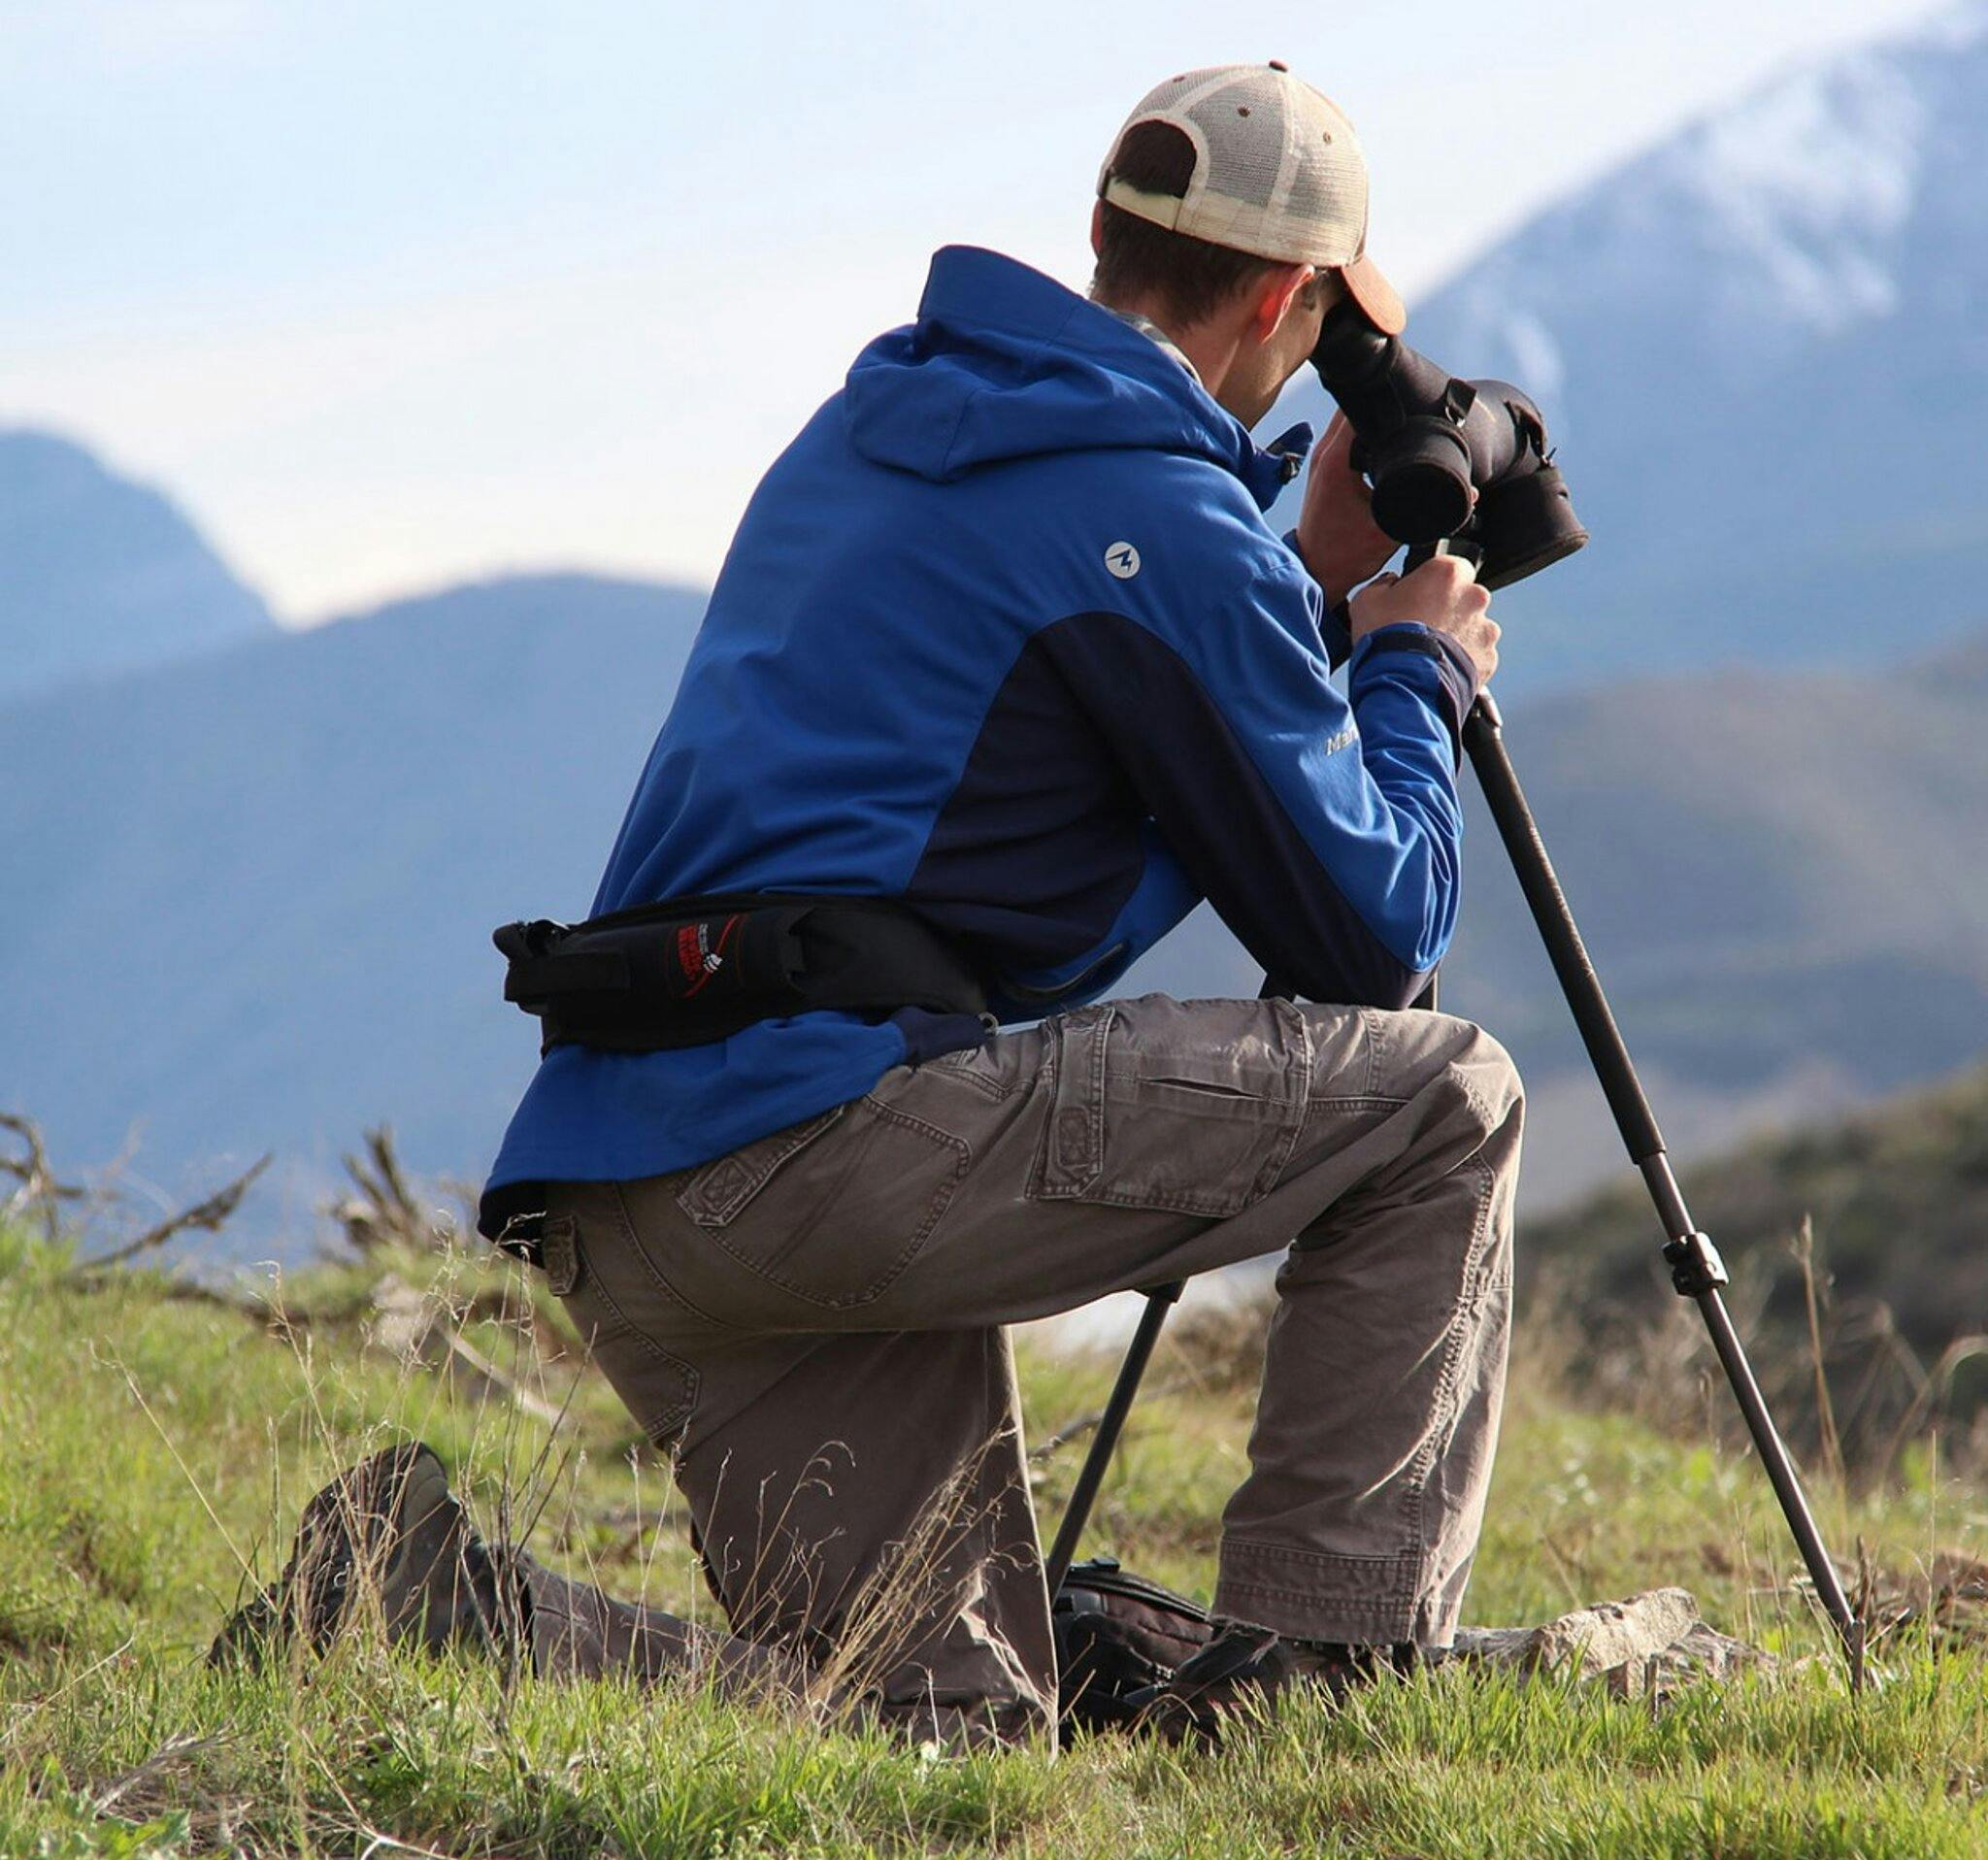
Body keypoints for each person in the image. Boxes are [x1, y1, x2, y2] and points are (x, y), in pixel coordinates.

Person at [235, 62, 1522, 1749]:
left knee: (940, 1722)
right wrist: (1405, 657)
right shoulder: (1161, 517)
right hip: (834, 1142)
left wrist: (1297, 576)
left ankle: (423, 1600)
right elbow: (1372, 936)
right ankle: (1323, 1694)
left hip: (634, 1176)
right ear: (1292, 299)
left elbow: (1068, 648)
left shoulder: (872, 429)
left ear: (1097, 237)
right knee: (1448, 1104)